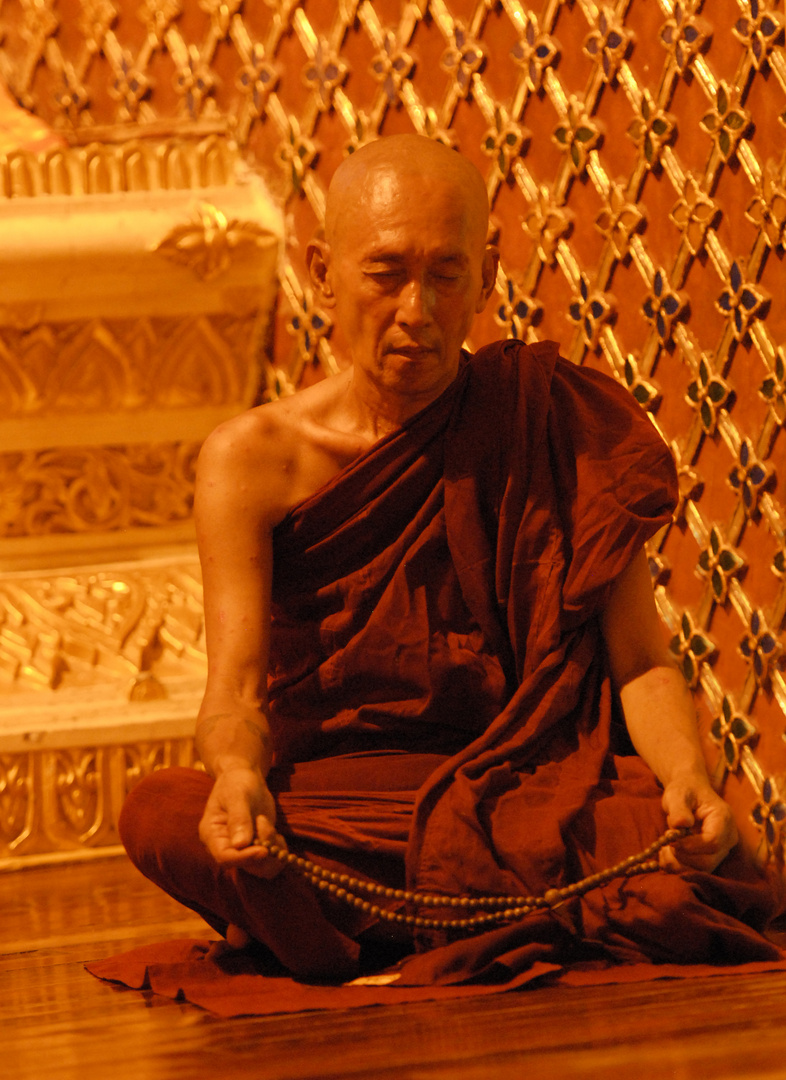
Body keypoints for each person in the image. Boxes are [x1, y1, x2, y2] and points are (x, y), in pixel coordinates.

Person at [119, 134, 779, 989]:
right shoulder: (252, 459)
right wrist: (239, 776)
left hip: (522, 787)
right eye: (385, 273)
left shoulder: (559, 425)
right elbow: (234, 694)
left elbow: (642, 660)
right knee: (161, 815)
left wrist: (689, 776)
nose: (417, 311)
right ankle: (449, 925)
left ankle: (364, 933)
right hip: (344, 798)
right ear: (322, 272)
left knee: (718, 861)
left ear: (488, 277)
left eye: (446, 274)